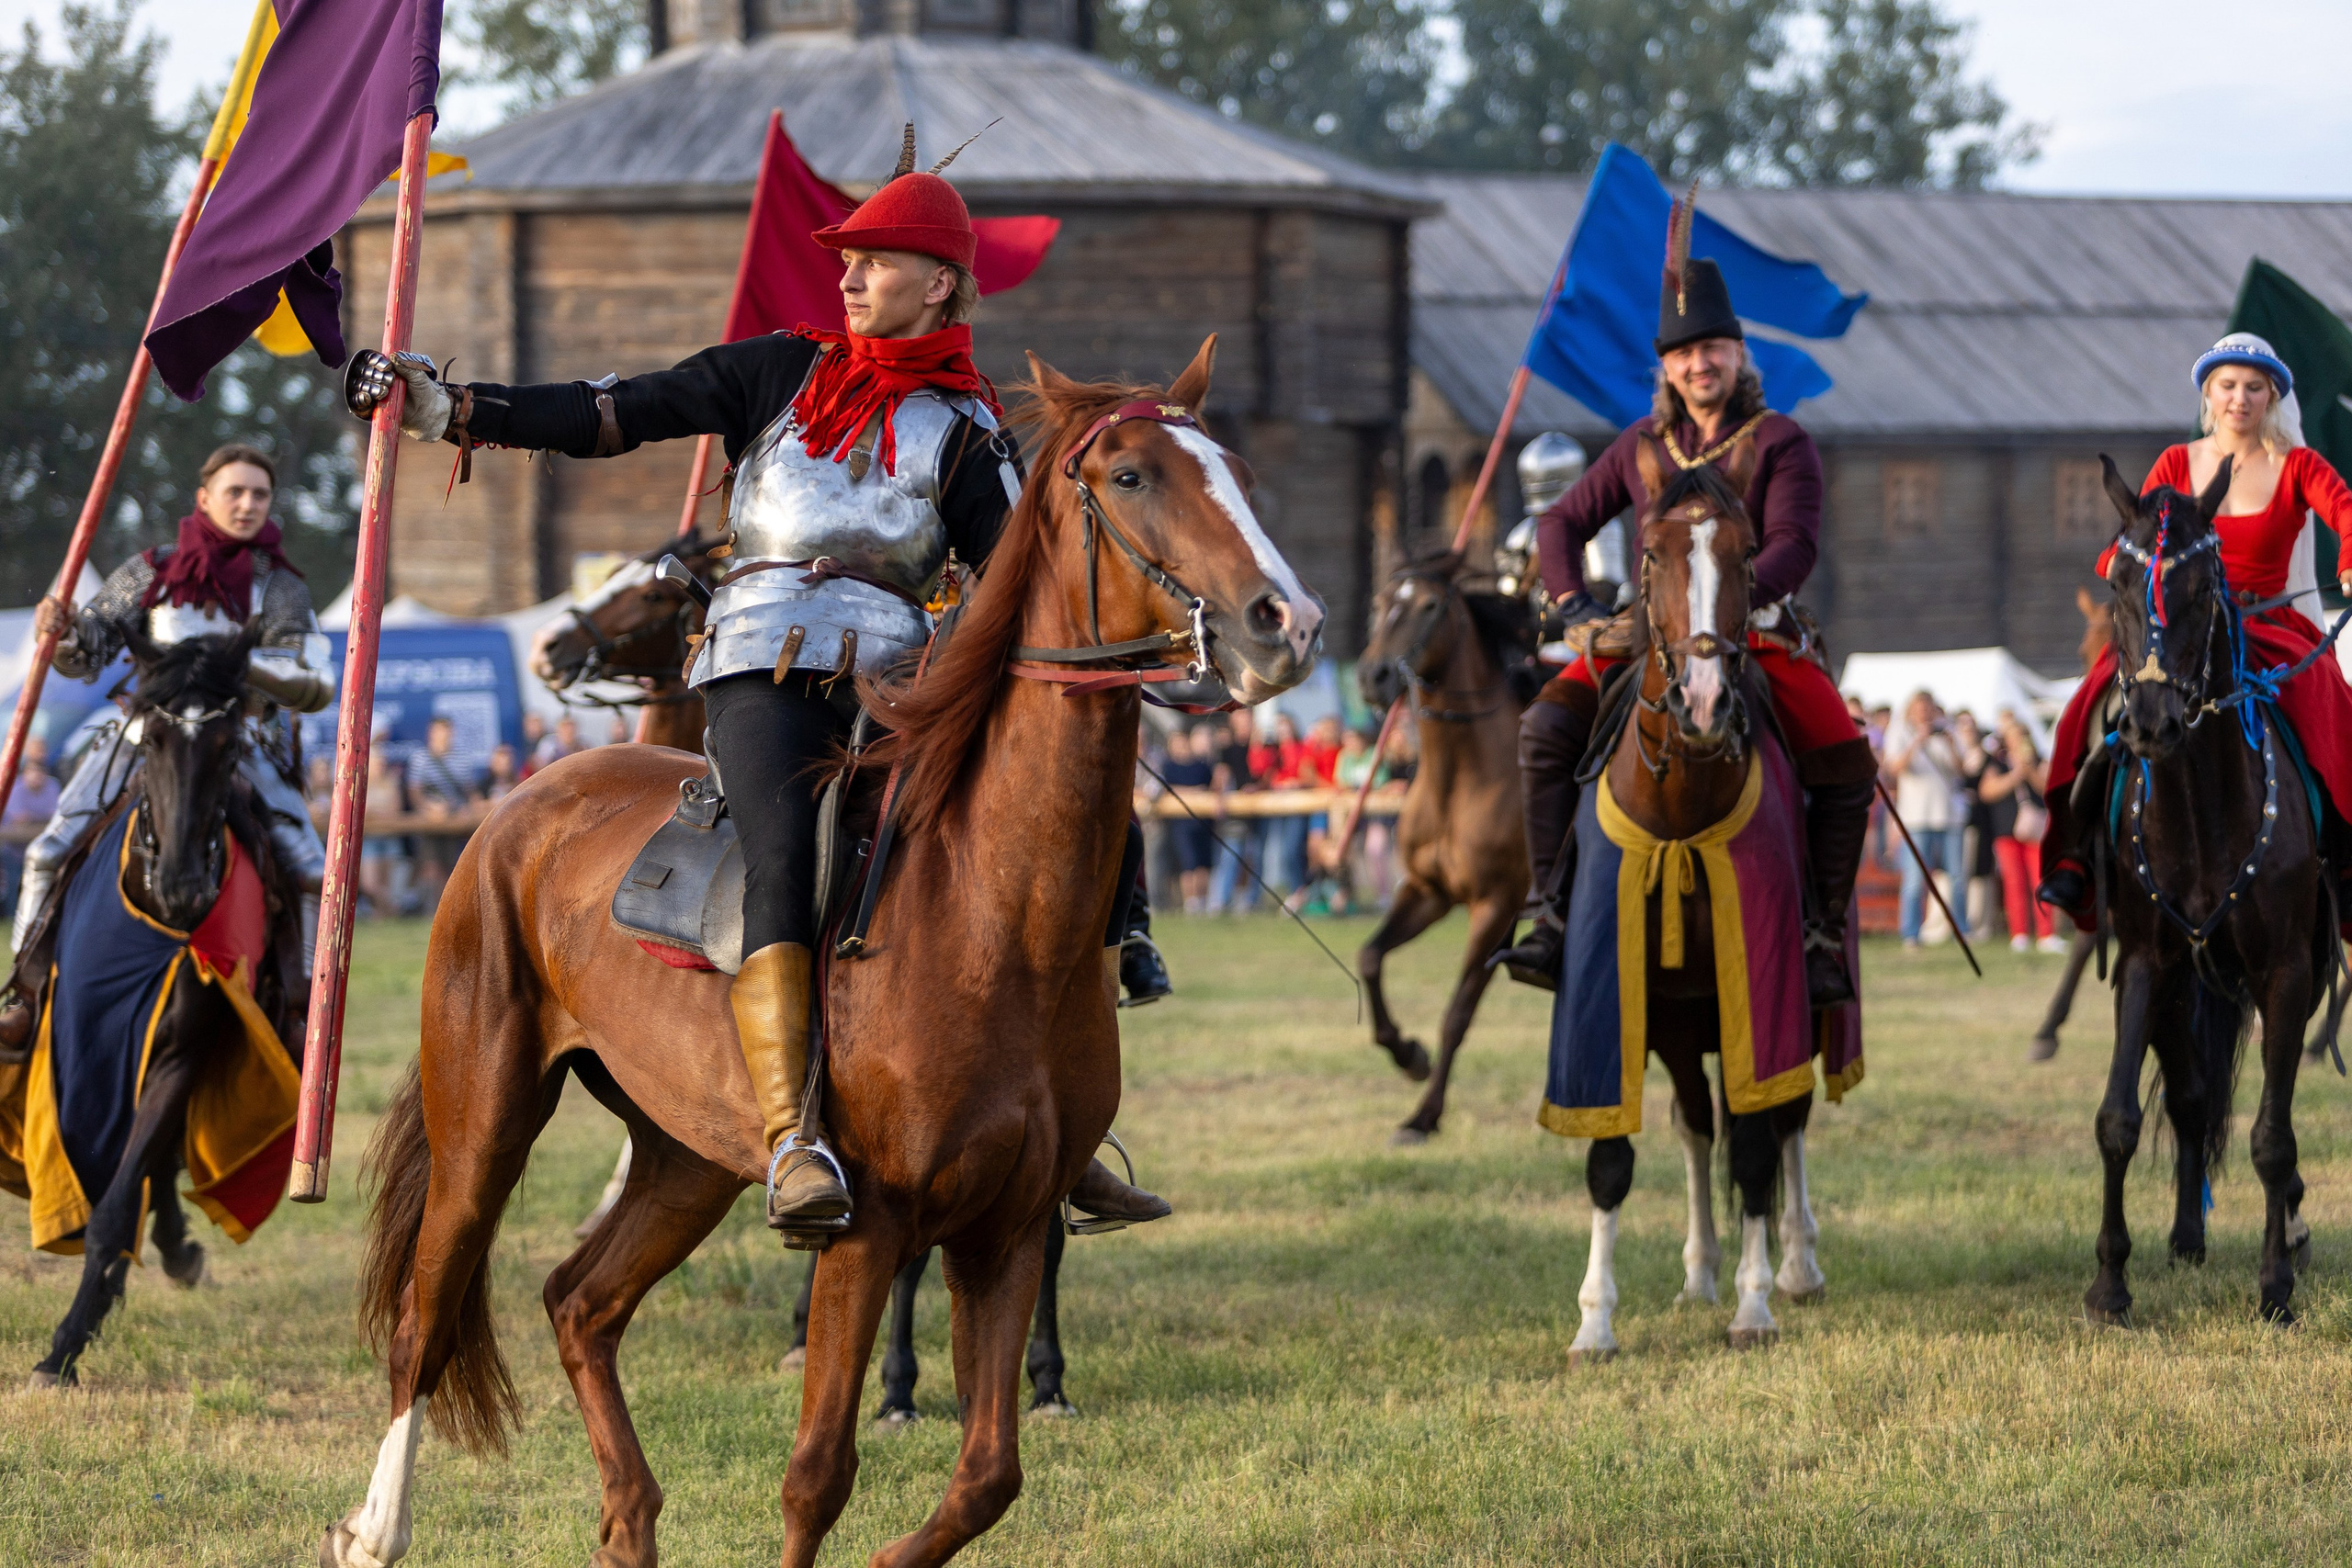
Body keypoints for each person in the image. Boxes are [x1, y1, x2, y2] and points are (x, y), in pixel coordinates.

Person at [378, 128, 1163, 1240]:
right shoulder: (776, 370)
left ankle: (1065, 1121)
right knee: (784, 857)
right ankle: (795, 1134)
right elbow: (616, 410)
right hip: (763, 673)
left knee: (1041, 828)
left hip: (902, 687)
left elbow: (1012, 582)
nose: (846, 275)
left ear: (938, 282)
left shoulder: (970, 427)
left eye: (874, 259)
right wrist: (452, 411)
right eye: (844, 258)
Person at [1492, 231, 1875, 1003]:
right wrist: (1574, 606)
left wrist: (1722, 608)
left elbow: (1796, 544)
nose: (1699, 363)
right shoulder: (1639, 446)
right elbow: (1561, 522)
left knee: (1845, 760)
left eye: (1712, 347)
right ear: (1665, 367)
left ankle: (1820, 934)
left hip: (1754, 631)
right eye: (1683, 353)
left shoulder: (1781, 442)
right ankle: (1549, 914)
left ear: (1738, 354)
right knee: (1540, 731)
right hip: (1645, 635)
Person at [0, 444, 333, 1046]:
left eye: (259, 494)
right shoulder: (154, 568)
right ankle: (20, 997)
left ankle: (305, 1005)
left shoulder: (277, 585)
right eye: (235, 491)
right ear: (204, 498)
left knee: (312, 868)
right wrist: (65, 628)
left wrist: (231, 668)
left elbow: (314, 682)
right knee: (49, 850)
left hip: (239, 737)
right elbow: (88, 653)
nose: (248, 503)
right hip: (144, 734)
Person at [2041, 333, 2352, 930]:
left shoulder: (2298, 464)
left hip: (2267, 625)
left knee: (2330, 705)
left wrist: (2349, 560)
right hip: (2180, 627)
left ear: (2272, 397)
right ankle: (2079, 855)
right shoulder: (2176, 462)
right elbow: (2135, 531)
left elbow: (2344, 509)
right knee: (2094, 704)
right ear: (2208, 394)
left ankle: (2342, 861)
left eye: (2253, 387)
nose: (2240, 397)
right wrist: (2121, 565)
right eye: (2227, 386)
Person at [1882, 692, 1969, 948]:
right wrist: (1917, 741)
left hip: (1949, 815)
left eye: (1928, 709)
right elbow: (1894, 769)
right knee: (1914, 878)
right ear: (1911, 711)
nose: (1924, 714)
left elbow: (1962, 771)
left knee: (1957, 877)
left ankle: (1961, 930)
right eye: (1919, 709)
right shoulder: (1901, 732)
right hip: (1916, 816)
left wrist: (1951, 744)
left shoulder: (1947, 731)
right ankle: (1910, 933)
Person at [1979, 709, 2055, 952]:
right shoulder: (1997, 763)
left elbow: (2048, 789)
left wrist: (2029, 770)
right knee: (2014, 883)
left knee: (2040, 881)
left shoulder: (2040, 760)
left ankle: (2046, 934)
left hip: (2036, 830)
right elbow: (1987, 791)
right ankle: (2019, 934)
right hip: (2006, 830)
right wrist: (2014, 775)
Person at [1159, 727, 1218, 912]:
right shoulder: (1168, 766)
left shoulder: (1202, 765)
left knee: (1203, 861)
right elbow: (1166, 789)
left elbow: (1212, 787)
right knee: (1188, 861)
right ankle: (1190, 901)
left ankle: (1203, 900)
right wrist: (1194, 792)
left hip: (1202, 819)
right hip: (1180, 821)